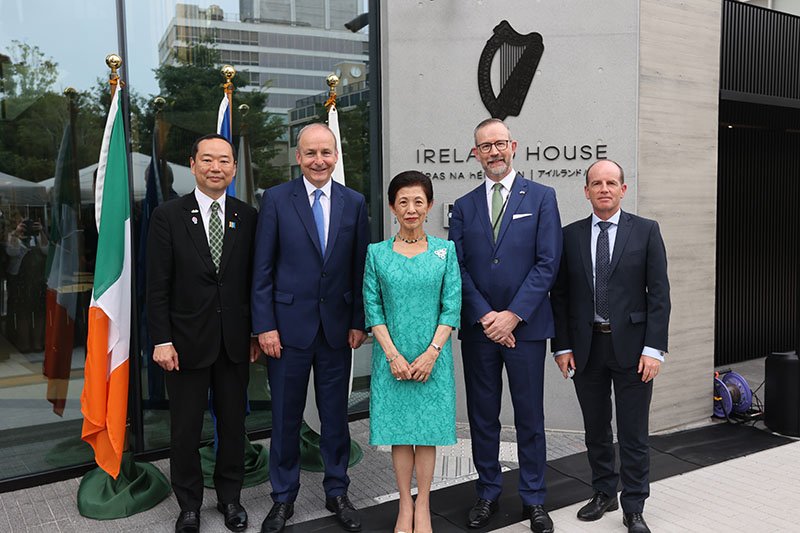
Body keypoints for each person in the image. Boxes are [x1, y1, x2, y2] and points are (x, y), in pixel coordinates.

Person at [252, 123, 370, 533]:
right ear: (297, 157)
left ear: (336, 156)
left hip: (338, 331)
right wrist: (264, 325)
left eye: (326, 152)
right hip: (286, 332)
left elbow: (360, 268)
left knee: (335, 417)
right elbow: (262, 268)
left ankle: (337, 490)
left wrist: (359, 321)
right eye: (310, 153)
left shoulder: (354, 202)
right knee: (285, 418)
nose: (319, 160)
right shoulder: (276, 200)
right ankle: (283, 498)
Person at [448, 118, 562, 533]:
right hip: (480, 332)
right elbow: (458, 268)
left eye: (499, 143)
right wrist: (484, 316)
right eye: (485, 146)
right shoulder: (462, 206)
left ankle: (534, 498)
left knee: (530, 416)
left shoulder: (543, 197)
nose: (493, 152)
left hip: (526, 329)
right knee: (483, 416)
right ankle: (488, 491)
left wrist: (512, 315)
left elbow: (548, 262)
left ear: (513, 146)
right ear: (475, 153)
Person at [147, 133, 259, 533]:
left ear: (233, 167)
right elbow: (157, 284)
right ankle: (189, 505)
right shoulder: (168, 215)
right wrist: (161, 339)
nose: (217, 168)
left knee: (233, 426)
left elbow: (253, 282)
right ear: (192, 165)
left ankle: (230, 499)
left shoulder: (247, 216)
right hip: (184, 344)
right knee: (185, 429)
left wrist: (255, 333)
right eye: (208, 160)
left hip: (233, 342)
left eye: (225, 161)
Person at [550, 159, 670, 533]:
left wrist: (654, 349)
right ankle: (604, 492)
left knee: (633, 432)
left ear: (623, 189)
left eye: (611, 182)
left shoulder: (646, 231)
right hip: (586, 349)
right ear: (586, 191)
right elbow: (561, 296)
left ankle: (634, 505)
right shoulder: (569, 236)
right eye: (596, 183)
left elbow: (660, 296)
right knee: (596, 428)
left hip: (634, 351)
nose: (604, 188)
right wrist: (562, 346)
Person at [363, 171, 461, 533]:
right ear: (392, 207)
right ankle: (405, 504)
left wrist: (432, 352)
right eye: (403, 201)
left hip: (433, 357)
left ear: (429, 205)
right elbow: (372, 308)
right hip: (392, 358)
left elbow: (451, 306)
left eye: (418, 201)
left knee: (427, 433)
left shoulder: (445, 251)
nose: (411, 208)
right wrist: (392, 354)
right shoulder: (377, 254)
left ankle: (425, 505)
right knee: (400, 433)